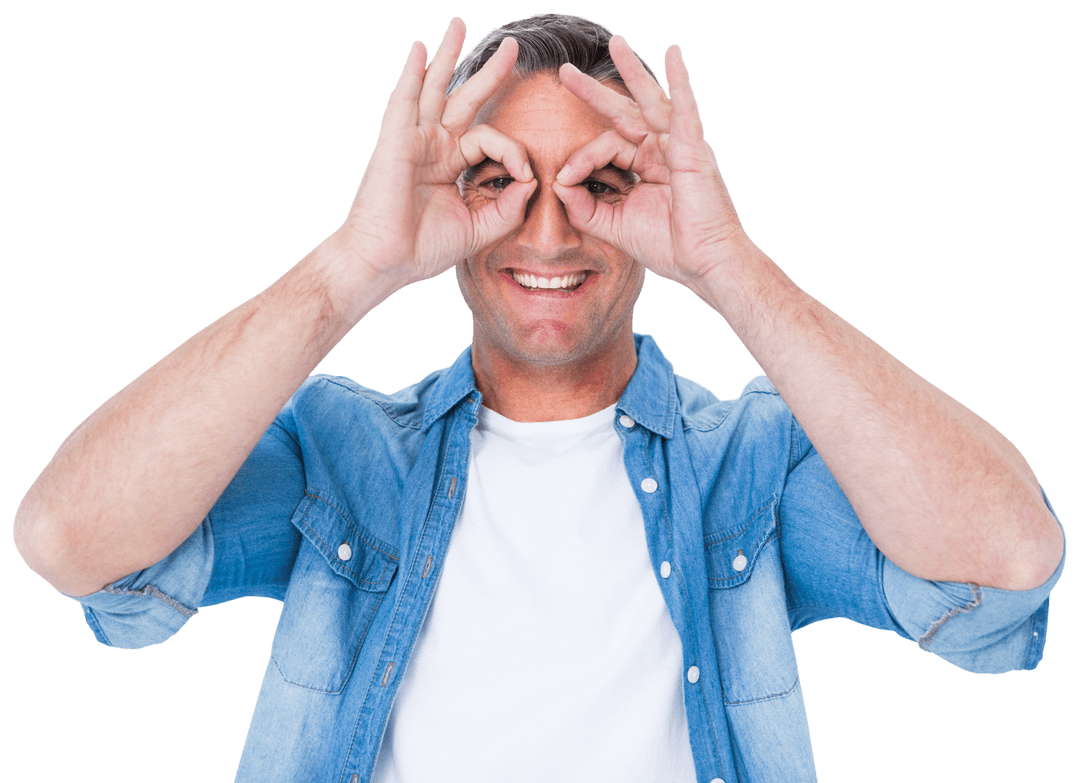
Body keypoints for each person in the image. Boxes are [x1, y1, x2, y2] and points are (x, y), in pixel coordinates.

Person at [12, 12, 1065, 783]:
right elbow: (73, 539)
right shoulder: (343, 456)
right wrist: (351, 268)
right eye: (497, 180)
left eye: (599, 184)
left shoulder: (751, 465)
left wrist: (731, 267)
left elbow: (1005, 564)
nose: (550, 234)